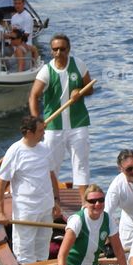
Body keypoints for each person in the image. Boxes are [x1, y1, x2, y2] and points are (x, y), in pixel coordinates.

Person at [29, 34, 92, 201]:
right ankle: (52, 200)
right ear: (51, 51)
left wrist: (80, 91)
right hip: (53, 126)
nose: (59, 52)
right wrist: (37, 122)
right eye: (55, 49)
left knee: (81, 164)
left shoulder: (78, 64)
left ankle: (84, 203)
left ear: (68, 49)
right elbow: (33, 96)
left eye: (62, 49)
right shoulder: (46, 71)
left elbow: (90, 88)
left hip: (78, 123)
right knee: (50, 165)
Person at [0, 115, 62, 265]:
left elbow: (51, 175)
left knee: (42, 247)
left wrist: (57, 202)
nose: (44, 134)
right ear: (29, 133)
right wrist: (0, 212)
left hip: (46, 208)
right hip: (26, 211)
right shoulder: (15, 151)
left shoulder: (45, 148)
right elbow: (1, 182)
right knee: (25, 251)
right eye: (40, 131)